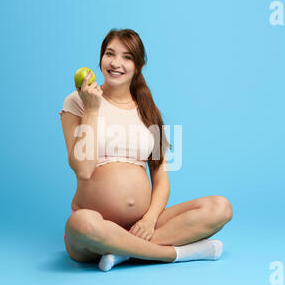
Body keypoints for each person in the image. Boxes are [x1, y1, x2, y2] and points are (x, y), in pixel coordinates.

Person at [59, 28, 233, 271]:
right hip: (96, 227)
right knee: (82, 224)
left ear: (138, 66)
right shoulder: (77, 102)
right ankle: (173, 254)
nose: (116, 63)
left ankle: (122, 251)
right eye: (110, 54)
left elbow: (161, 180)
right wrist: (92, 109)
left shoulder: (149, 110)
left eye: (127, 57)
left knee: (220, 207)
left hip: (141, 225)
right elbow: (84, 170)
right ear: (100, 59)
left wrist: (150, 219)